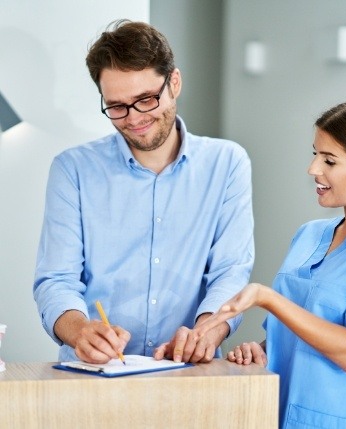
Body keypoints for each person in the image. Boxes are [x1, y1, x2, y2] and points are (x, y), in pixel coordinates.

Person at [194, 98, 346, 428]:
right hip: (275, 417)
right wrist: (261, 350)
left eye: (329, 160)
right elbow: (298, 335)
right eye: (315, 154)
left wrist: (267, 298)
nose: (313, 169)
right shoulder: (309, 235)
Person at [33, 19, 254, 365]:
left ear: (174, 83)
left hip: (188, 371)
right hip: (95, 374)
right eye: (117, 106)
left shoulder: (227, 163)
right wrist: (80, 331)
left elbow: (230, 272)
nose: (133, 118)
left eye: (146, 100)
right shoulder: (72, 169)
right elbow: (56, 280)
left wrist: (206, 332)